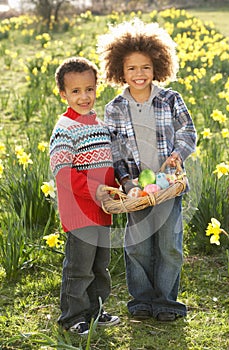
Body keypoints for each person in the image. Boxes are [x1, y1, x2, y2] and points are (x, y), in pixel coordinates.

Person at [97, 19, 197, 321]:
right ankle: (140, 300)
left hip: (167, 185)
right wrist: (127, 184)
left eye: (145, 68)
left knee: (169, 246)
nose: (139, 74)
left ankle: (167, 302)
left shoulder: (170, 99)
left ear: (158, 67)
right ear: (119, 71)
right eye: (131, 68)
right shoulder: (114, 108)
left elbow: (188, 132)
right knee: (138, 247)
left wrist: (177, 156)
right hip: (136, 190)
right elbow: (114, 151)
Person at [49, 57, 120, 336]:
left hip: (102, 210)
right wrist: (95, 191)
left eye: (89, 89)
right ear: (63, 94)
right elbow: (62, 172)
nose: (84, 96)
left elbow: (105, 169)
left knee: (100, 266)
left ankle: (96, 310)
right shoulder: (65, 128)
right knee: (79, 267)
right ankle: (72, 316)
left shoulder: (99, 126)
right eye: (76, 91)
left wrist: (117, 188)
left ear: (96, 88)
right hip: (79, 211)